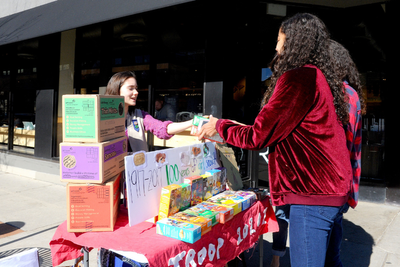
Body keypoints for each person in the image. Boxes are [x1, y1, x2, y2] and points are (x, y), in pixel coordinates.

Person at [197, 13, 352, 267]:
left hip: (312, 195)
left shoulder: (298, 78)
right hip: (329, 192)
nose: (276, 47)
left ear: (294, 42)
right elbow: (278, 129)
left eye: (280, 40)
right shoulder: (317, 76)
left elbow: (259, 135)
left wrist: (219, 126)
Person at [269, 40, 367, 267]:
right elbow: (354, 148)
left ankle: (276, 257)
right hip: (340, 187)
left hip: (314, 188)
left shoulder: (325, 93)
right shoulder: (351, 94)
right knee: (332, 257)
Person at [324, 39, 366, 267]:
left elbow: (339, 145)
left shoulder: (341, 95)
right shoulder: (350, 94)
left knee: (329, 255)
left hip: (331, 185)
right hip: (341, 185)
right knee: (332, 249)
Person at [105, 71, 192, 153]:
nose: (136, 92)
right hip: (110, 167)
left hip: (136, 167)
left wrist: (193, 122)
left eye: (136, 88)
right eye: (131, 88)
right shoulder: (103, 117)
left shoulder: (140, 116)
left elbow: (162, 128)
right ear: (117, 90)